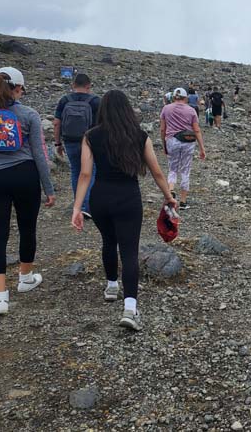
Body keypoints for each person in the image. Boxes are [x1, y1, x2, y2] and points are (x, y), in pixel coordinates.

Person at [71, 90, 176, 331]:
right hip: (128, 199)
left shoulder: (90, 136)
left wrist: (77, 208)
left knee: (108, 241)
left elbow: (85, 174)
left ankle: (111, 286)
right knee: (129, 251)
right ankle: (130, 309)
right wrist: (169, 198)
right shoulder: (139, 136)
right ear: (128, 110)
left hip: (100, 198)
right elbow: (157, 172)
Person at [0, 67, 56, 315]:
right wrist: (48, 188)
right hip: (25, 176)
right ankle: (25, 278)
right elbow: (39, 154)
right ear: (17, 88)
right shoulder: (28, 114)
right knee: (27, 228)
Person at [54, 73, 100, 218]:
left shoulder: (64, 100)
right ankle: (89, 206)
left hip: (70, 140)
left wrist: (58, 143)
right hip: (91, 141)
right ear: (89, 86)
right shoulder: (96, 101)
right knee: (91, 171)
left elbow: (56, 123)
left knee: (76, 171)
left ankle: (78, 204)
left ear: (73, 85)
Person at [160, 88, 206, 210]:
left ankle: (171, 191)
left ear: (174, 97)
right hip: (188, 142)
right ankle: (183, 202)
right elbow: (196, 130)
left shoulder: (166, 108)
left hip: (171, 140)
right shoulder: (191, 110)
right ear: (185, 98)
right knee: (185, 170)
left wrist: (164, 144)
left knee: (172, 169)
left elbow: (162, 129)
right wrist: (202, 148)